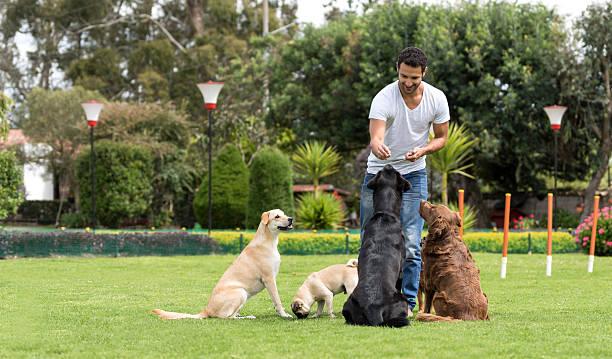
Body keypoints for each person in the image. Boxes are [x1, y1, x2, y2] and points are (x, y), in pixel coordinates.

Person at [360, 46, 450, 312]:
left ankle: (408, 303)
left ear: (424, 73)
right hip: (378, 175)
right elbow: (376, 136)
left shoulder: (437, 98)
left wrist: (424, 149)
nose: (408, 83)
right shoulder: (384, 98)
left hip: (413, 174)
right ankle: (367, 298)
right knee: (369, 239)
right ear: (397, 69)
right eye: (403, 77)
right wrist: (378, 146)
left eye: (415, 78)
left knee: (411, 242)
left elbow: (442, 138)